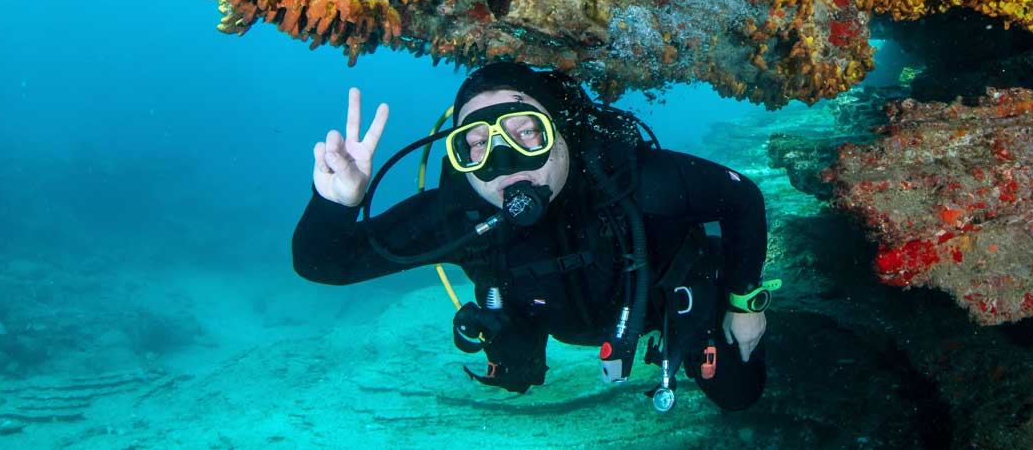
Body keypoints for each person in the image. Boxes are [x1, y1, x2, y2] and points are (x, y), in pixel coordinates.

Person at [291, 62, 778, 411]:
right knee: (512, 374)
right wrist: (336, 202)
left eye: (527, 134)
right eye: (477, 145)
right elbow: (323, 262)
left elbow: (742, 199)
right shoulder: (460, 215)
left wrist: (742, 303)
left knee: (739, 395)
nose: (504, 163)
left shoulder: (629, 181)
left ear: (561, 132)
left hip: (667, 300)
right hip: (558, 317)